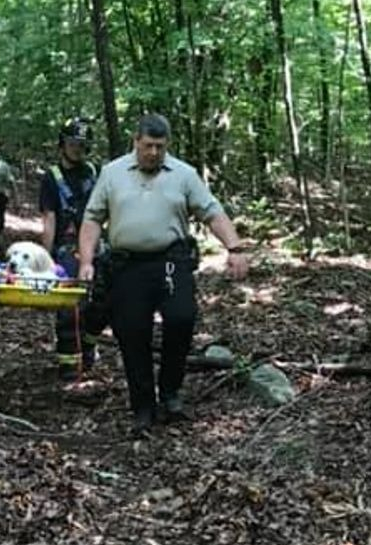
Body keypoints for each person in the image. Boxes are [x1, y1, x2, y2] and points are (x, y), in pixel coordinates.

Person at [77, 113, 249, 436]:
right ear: (135, 142)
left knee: (182, 318)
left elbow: (211, 211)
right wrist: (86, 260)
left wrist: (235, 248)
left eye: (160, 147)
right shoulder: (112, 173)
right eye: (148, 146)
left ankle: (170, 391)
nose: (154, 153)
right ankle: (143, 406)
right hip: (127, 265)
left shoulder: (184, 174)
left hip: (171, 261)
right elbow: (92, 218)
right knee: (131, 332)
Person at [39, 117, 109, 381]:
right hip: (67, 248)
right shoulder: (52, 178)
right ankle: (69, 364)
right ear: (62, 144)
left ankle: (89, 344)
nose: (78, 149)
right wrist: (46, 260)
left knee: (105, 301)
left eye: (83, 144)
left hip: (99, 246)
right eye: (73, 143)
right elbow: (49, 219)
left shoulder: (95, 172)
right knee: (70, 307)